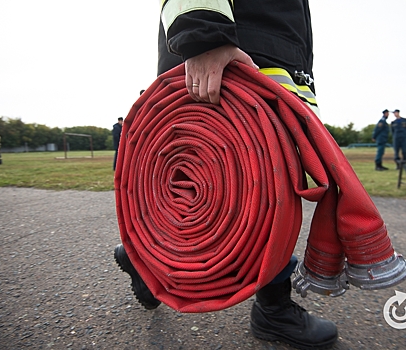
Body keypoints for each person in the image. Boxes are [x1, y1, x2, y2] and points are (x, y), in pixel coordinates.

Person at [114, 1, 338, 349]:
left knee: (237, 199)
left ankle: (145, 255)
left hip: (256, 66)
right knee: (261, 205)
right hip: (227, 61)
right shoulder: (212, 42)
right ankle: (273, 309)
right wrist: (204, 34)